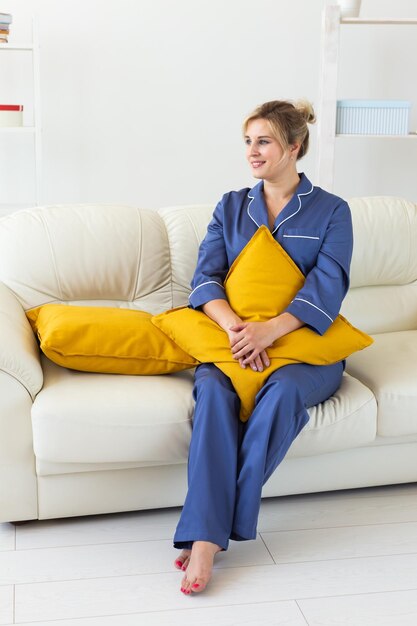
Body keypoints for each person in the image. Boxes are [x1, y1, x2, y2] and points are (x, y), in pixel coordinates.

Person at [173, 100, 353, 595]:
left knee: (282, 392)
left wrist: (269, 332)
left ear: (294, 147)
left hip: (305, 351)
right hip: (234, 342)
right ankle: (211, 532)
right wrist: (237, 330)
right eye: (248, 141)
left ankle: (205, 538)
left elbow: (328, 288)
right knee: (212, 390)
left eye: (264, 141)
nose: (252, 151)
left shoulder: (333, 211)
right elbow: (204, 280)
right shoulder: (230, 206)